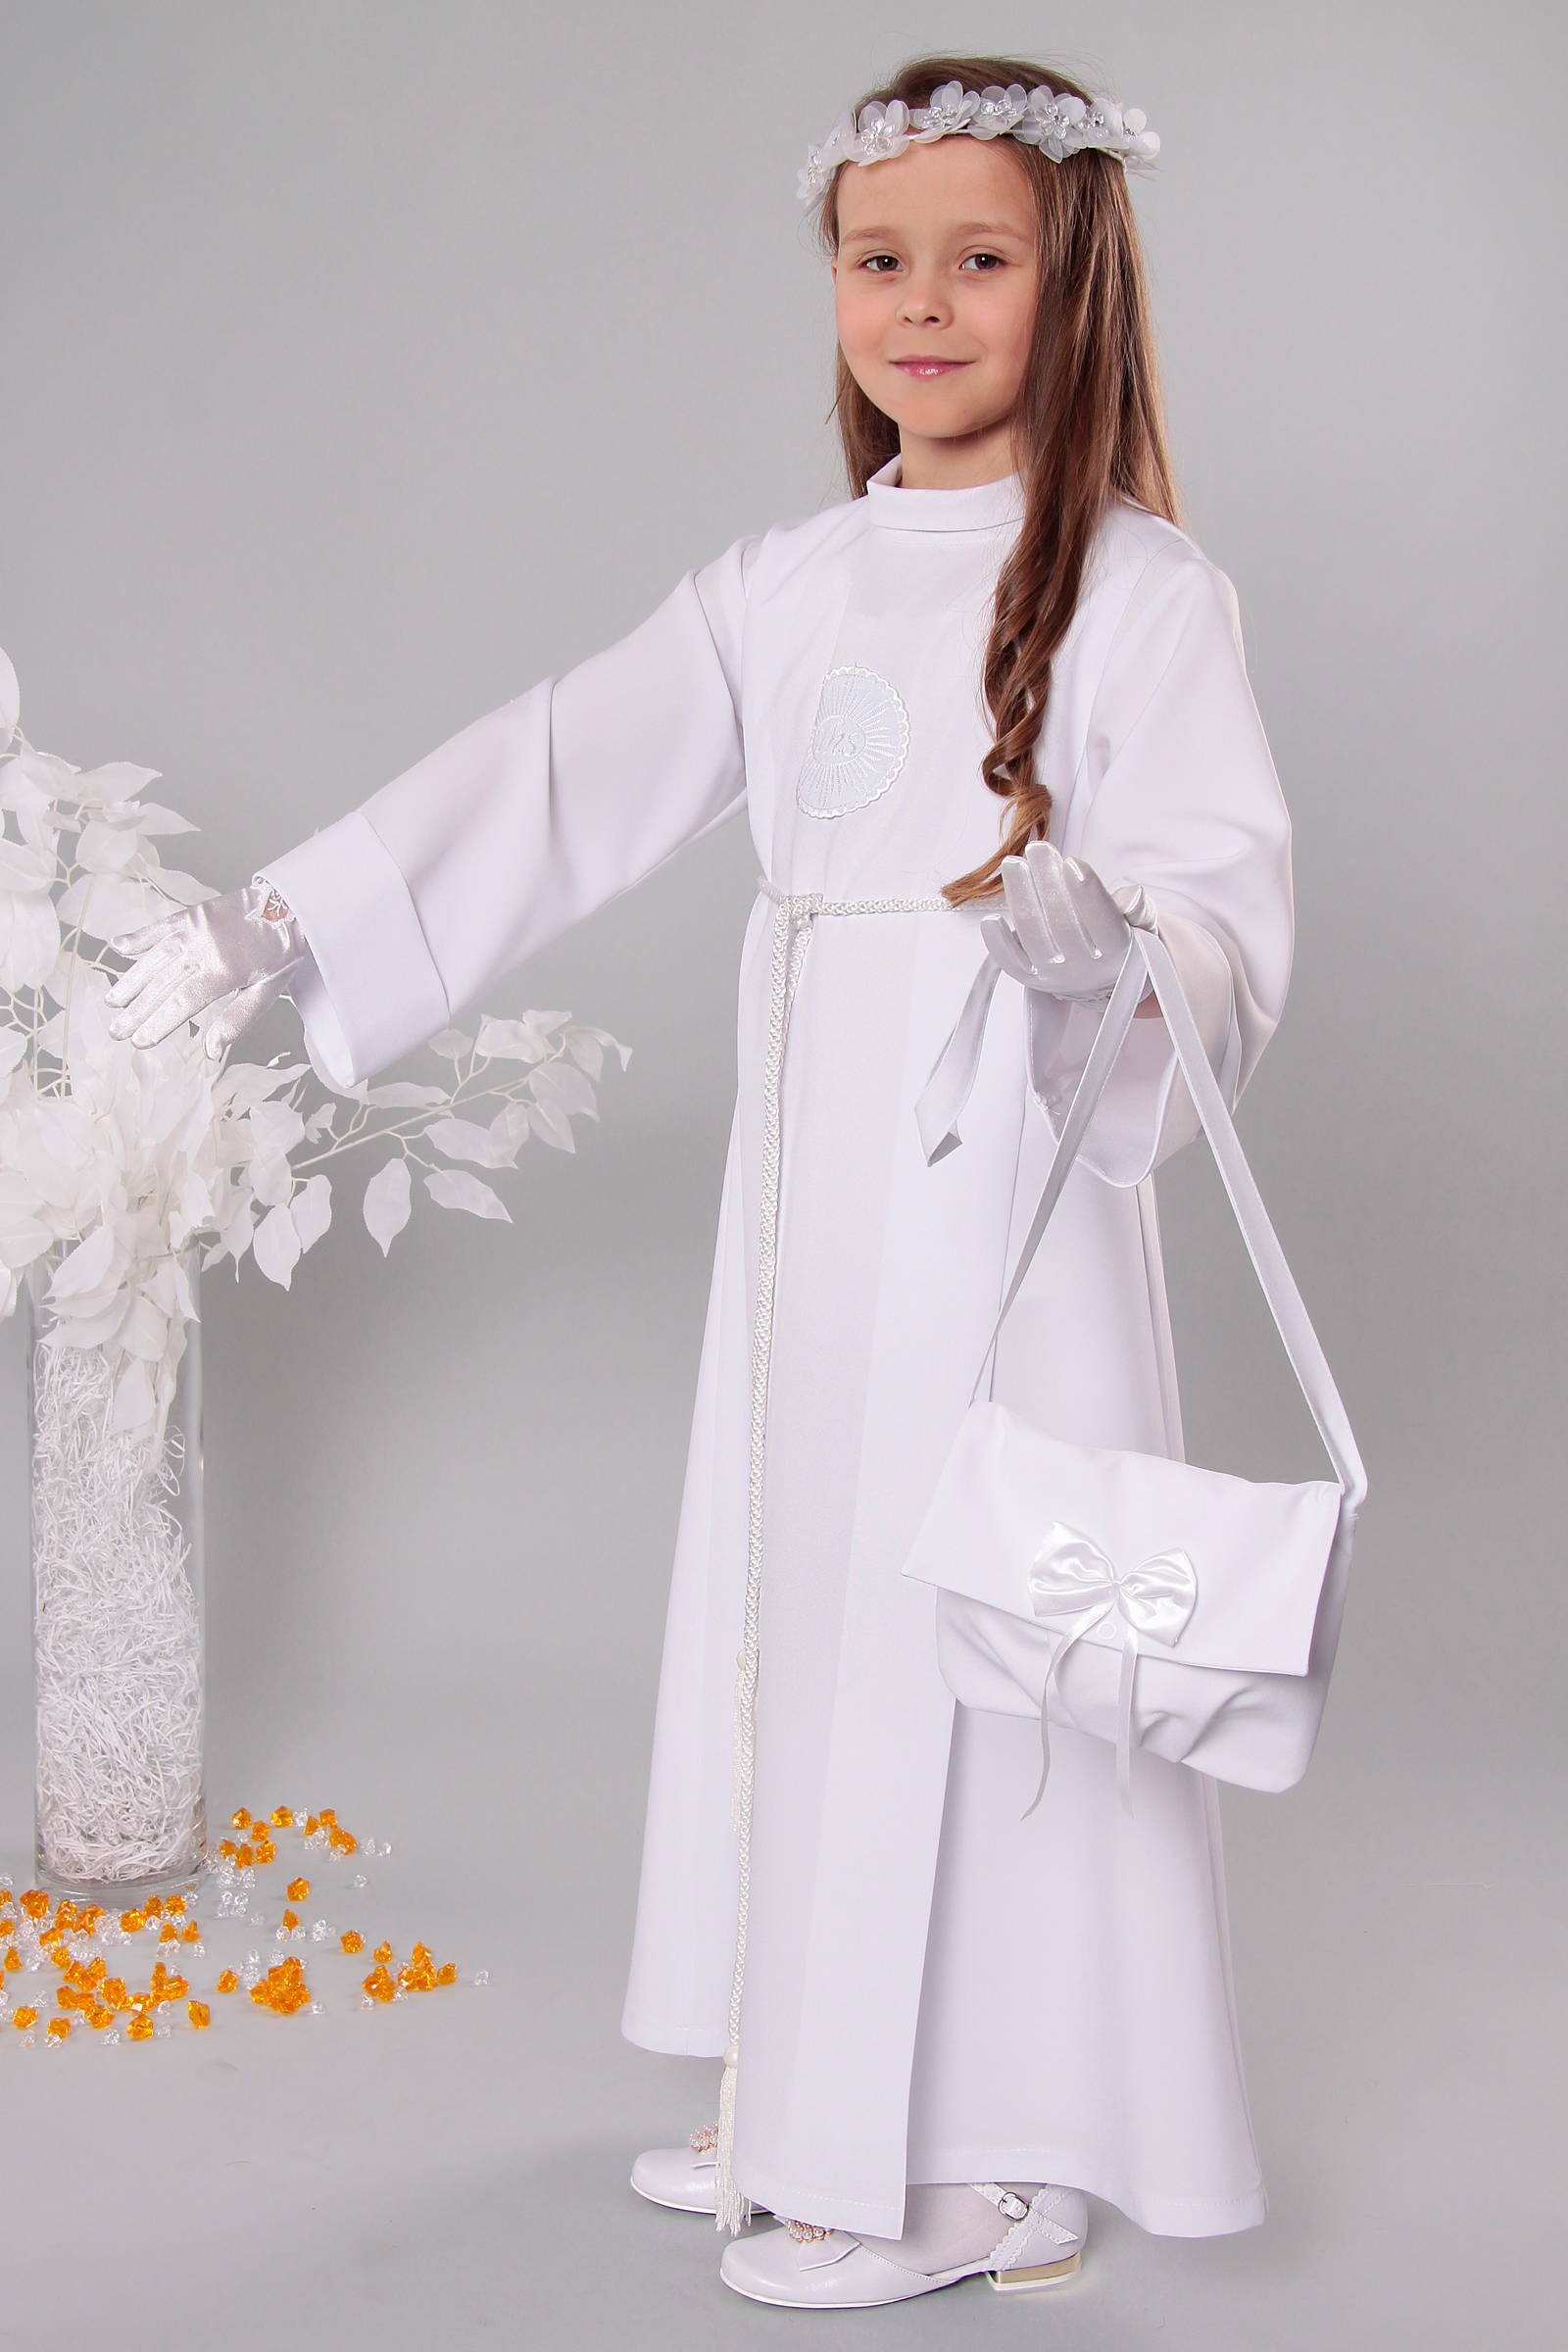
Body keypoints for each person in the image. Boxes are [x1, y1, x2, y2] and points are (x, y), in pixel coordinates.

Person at [106, 52, 1296, 2312]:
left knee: (991, 1628)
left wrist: (1105, 957)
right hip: (810, 1205)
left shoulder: (1146, 597)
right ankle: (822, 2084)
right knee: (807, 1595)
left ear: (1070, 283)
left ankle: (995, 2145)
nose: (917, 304)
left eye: (976, 258)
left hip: (1013, 1200)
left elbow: (1221, 905)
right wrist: (282, 923)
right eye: (875, 259)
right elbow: (562, 768)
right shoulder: (788, 584)